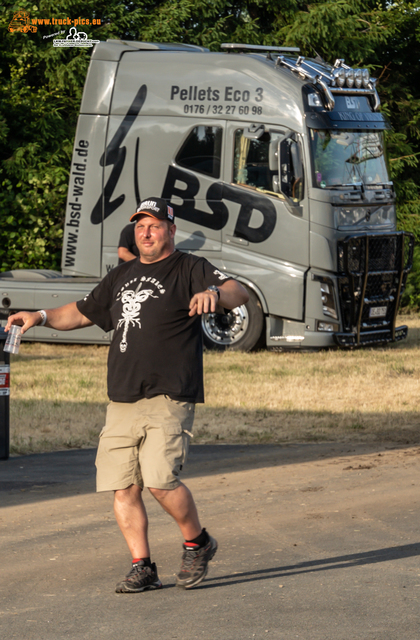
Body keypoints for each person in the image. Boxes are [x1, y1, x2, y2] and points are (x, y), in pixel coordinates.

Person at [4, 197, 249, 593]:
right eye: (139, 226)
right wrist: (41, 316)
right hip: (121, 396)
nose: (145, 232)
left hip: (169, 393)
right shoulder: (122, 275)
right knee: (123, 485)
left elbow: (239, 292)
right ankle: (142, 566)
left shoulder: (190, 267)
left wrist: (215, 296)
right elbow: (83, 311)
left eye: (153, 225)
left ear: (171, 230)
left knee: (159, 480)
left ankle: (197, 542)